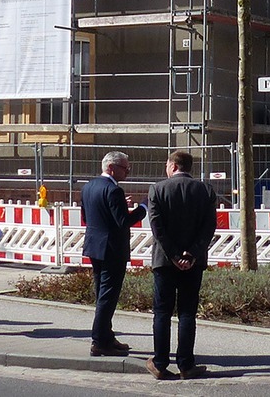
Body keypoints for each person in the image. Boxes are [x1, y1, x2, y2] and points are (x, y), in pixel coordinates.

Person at [145, 149, 218, 381]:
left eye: (167, 165)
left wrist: (174, 255)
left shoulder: (157, 189)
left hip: (164, 262)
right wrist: (192, 254)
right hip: (193, 263)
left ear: (173, 166)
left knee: (162, 312)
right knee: (187, 313)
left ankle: (160, 363)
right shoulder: (205, 190)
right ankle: (186, 364)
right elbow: (209, 228)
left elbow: (157, 228)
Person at [82, 151, 146, 356]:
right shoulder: (113, 191)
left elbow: (86, 217)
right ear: (111, 167)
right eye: (125, 168)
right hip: (112, 249)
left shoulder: (89, 186)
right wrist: (143, 207)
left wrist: (119, 207)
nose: (128, 172)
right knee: (108, 296)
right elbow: (123, 222)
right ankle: (99, 341)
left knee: (102, 292)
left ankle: (106, 336)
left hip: (95, 246)